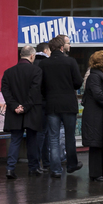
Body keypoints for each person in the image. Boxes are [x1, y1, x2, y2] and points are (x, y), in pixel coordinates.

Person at [39, 34, 83, 178]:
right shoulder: (70, 62)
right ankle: (71, 164)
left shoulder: (44, 64)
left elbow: (41, 86)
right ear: (62, 47)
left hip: (51, 104)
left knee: (53, 138)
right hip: (68, 104)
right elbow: (78, 83)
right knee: (69, 136)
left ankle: (56, 169)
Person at [1, 45, 44, 179]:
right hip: (32, 110)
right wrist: (25, 107)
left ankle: (10, 168)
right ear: (32, 56)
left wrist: (15, 106)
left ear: (21, 55)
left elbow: (5, 91)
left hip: (14, 111)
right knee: (32, 140)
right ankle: (33, 168)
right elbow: (34, 91)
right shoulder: (36, 71)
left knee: (15, 140)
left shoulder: (8, 72)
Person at [82, 50, 103, 182]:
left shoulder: (101, 75)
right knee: (96, 144)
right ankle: (96, 174)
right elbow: (98, 95)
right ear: (102, 63)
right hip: (94, 116)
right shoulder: (94, 77)